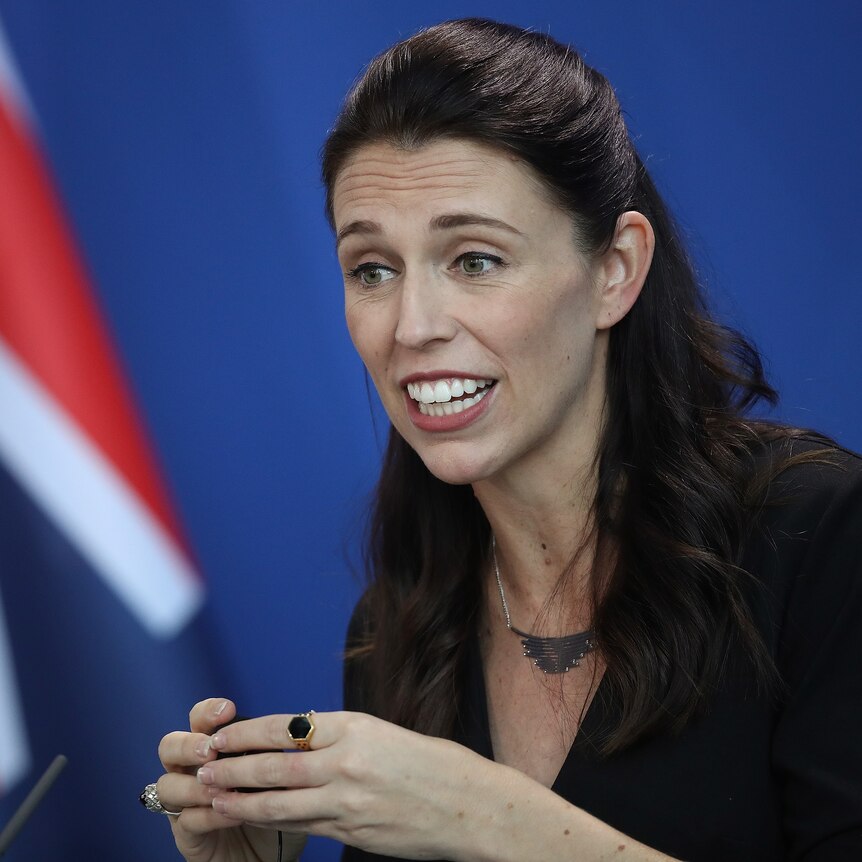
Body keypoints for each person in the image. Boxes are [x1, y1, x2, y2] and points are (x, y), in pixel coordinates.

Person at [144, 18, 862, 862]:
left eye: (475, 259)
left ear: (615, 271)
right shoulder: (396, 628)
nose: (411, 326)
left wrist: (485, 818)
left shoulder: (820, 535)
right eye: (372, 270)